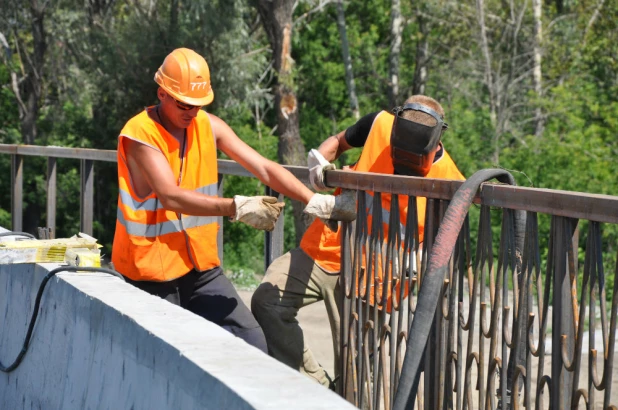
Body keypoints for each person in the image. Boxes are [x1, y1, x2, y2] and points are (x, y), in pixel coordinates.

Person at [111, 48, 355, 353]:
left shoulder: (207, 125)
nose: (191, 112)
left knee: (251, 341)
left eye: (198, 105)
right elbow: (170, 196)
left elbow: (264, 167)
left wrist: (313, 200)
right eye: (184, 104)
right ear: (162, 94)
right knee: (167, 356)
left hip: (200, 268)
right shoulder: (140, 135)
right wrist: (236, 207)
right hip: (151, 274)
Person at [251, 95, 465, 387]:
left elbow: (443, 248)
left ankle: (345, 396)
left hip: (375, 281)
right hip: (326, 249)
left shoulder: (450, 181)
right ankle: (320, 388)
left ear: (436, 140)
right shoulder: (379, 124)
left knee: (356, 372)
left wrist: (420, 259)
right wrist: (320, 163)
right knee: (266, 301)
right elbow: (338, 143)